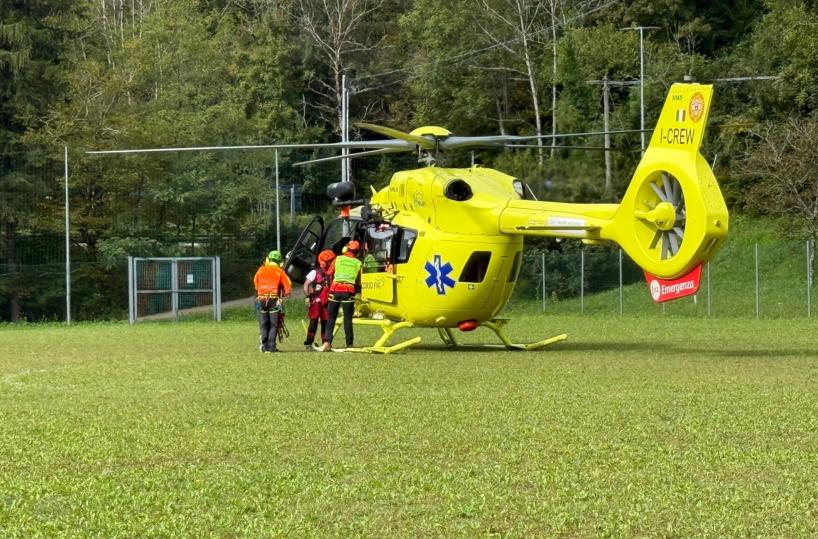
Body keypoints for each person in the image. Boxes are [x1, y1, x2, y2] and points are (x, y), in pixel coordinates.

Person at [322, 239, 363, 351]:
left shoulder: (338, 259)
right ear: (357, 252)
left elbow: (329, 274)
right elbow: (359, 281)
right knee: (348, 319)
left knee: (331, 318)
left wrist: (331, 288)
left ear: (345, 249)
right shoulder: (358, 263)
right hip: (348, 291)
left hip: (335, 290)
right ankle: (349, 345)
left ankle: (327, 342)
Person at [253, 250, 292, 352]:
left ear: (268, 259)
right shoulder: (280, 271)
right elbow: (288, 288)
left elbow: (256, 284)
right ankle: (271, 347)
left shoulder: (260, 270)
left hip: (260, 299)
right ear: (280, 261)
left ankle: (264, 346)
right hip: (274, 300)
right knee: (274, 324)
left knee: (263, 323)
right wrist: (282, 294)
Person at [303, 249, 335, 351]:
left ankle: (325, 343)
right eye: (329, 261)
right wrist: (308, 297)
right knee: (313, 323)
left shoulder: (331, 273)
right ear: (323, 261)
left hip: (327, 302)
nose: (331, 263)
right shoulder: (315, 272)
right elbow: (306, 285)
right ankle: (309, 343)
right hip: (316, 302)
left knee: (326, 323)